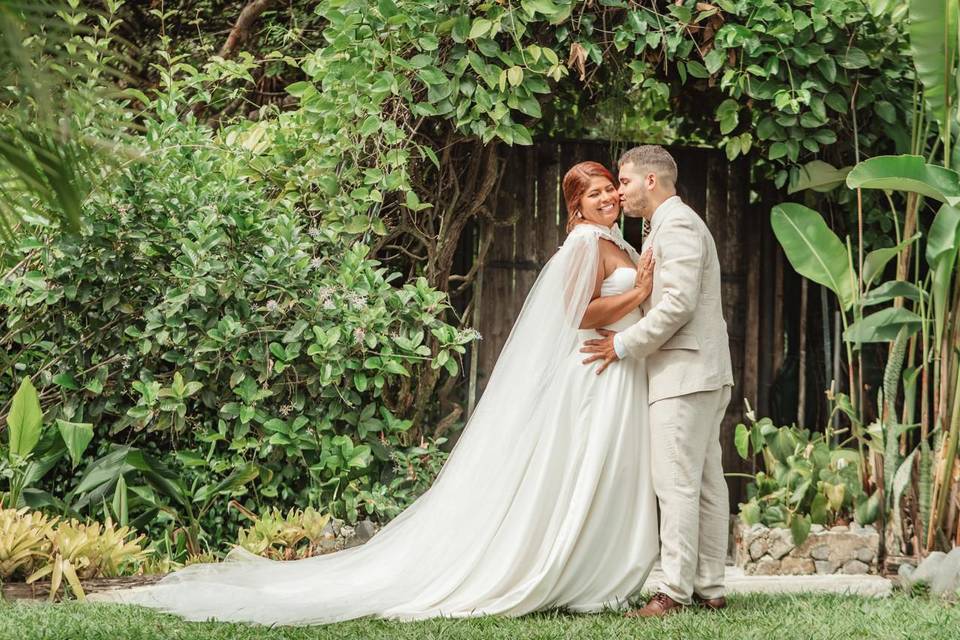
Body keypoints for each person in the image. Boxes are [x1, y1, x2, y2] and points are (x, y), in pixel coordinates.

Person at [91, 161, 661, 626]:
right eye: (596, 194)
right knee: (583, 470)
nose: (608, 198)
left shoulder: (610, 238)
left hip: (608, 374)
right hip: (592, 371)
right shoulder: (586, 244)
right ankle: (572, 567)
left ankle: (595, 565)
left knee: (598, 472)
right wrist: (638, 294)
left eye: (611, 189)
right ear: (576, 206)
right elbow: (578, 313)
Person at [581, 145, 734, 617]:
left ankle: (672, 592)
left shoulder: (680, 224)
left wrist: (622, 345)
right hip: (700, 371)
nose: (619, 191)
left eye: (623, 182)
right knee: (706, 482)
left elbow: (678, 305)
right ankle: (709, 587)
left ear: (651, 180)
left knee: (678, 484)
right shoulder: (661, 227)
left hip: (683, 371)